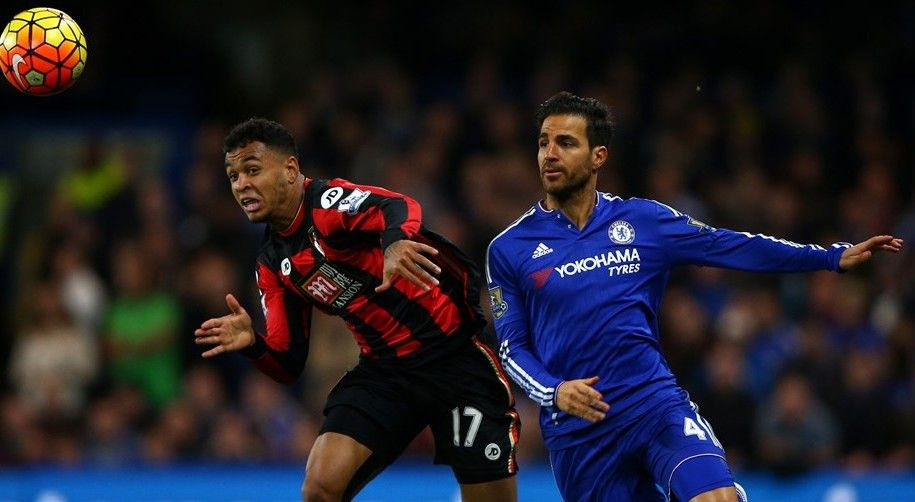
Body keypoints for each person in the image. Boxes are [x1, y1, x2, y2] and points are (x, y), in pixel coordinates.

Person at [484, 91, 903, 502]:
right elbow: (511, 349)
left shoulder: (643, 221)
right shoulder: (509, 249)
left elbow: (730, 245)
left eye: (565, 143)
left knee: (716, 499)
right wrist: (555, 391)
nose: (550, 154)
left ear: (598, 157)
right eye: (543, 143)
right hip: (580, 433)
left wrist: (828, 257)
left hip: (652, 404)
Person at [194, 118, 519, 502]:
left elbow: (397, 205)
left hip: (455, 358)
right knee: (320, 488)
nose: (241, 185)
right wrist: (253, 343)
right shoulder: (271, 264)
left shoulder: (325, 204)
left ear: (290, 169)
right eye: (233, 176)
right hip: (385, 373)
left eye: (252, 170)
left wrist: (394, 244)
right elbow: (287, 362)